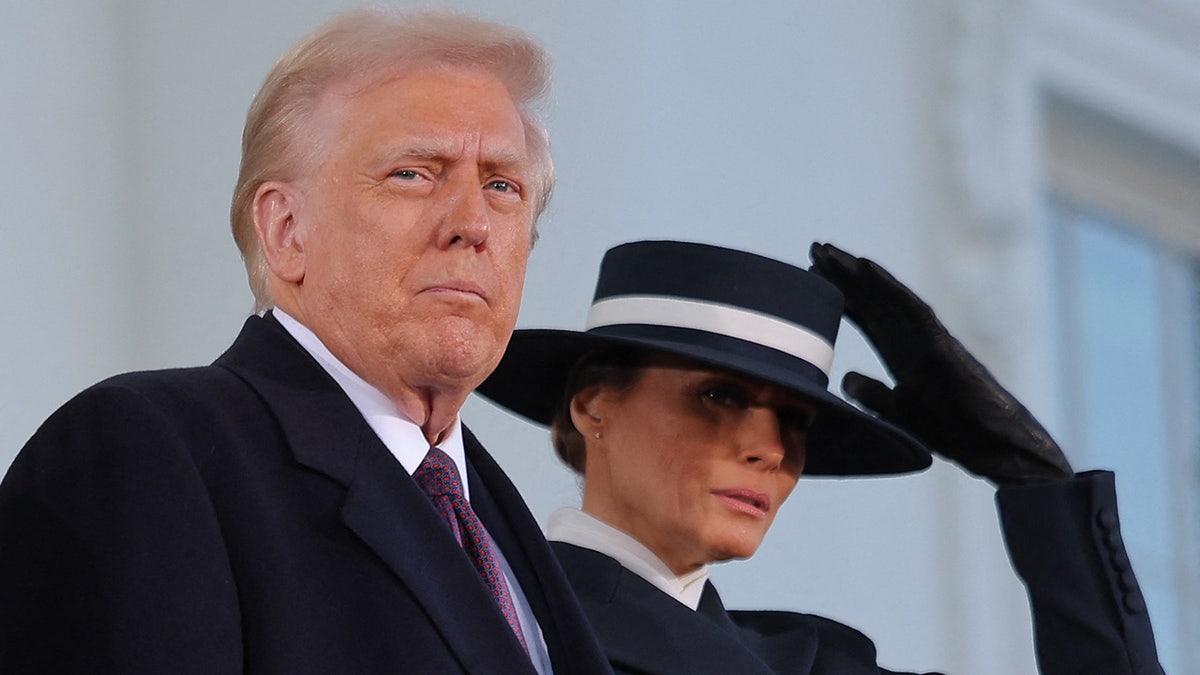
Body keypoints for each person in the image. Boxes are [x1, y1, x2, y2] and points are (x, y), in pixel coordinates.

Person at [0, 9, 611, 674]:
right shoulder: (148, 455)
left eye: (502, 185)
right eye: (414, 172)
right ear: (286, 230)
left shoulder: (495, 519)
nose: (472, 223)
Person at [476, 239, 1164, 674]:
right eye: (720, 394)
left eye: (795, 420)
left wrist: (1040, 492)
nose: (770, 448)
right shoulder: (484, 603)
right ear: (595, 403)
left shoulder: (819, 662)